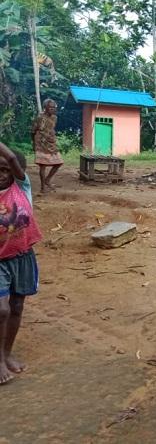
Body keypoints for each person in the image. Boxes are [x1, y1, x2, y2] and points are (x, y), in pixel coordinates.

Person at [0, 141, 42, 385]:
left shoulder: (22, 187)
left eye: (5, 170)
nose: (2, 175)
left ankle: (7, 353)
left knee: (16, 307)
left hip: (23, 257)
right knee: (1, 310)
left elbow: (14, 162)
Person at [31, 99, 63, 193]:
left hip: (51, 143)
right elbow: (33, 131)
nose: (53, 109)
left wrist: (52, 137)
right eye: (50, 107)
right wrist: (33, 143)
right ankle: (42, 188)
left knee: (59, 163)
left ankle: (47, 180)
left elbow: (51, 129)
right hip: (40, 143)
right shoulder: (40, 118)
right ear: (45, 108)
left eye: (54, 107)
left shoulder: (54, 118)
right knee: (43, 165)